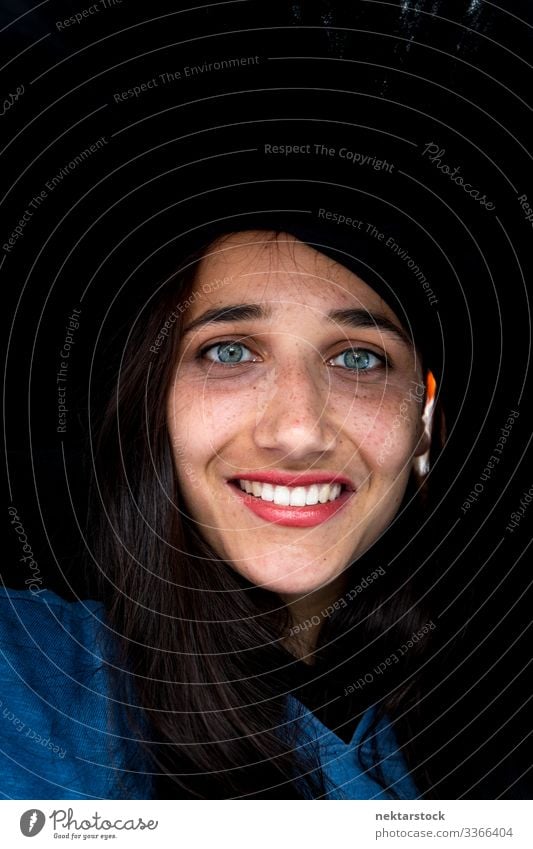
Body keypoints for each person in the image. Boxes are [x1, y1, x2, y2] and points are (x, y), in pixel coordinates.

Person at [1, 219, 447, 800]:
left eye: (359, 360)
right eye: (230, 351)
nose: (298, 431)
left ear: (423, 427)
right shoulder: (26, 675)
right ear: (154, 403)